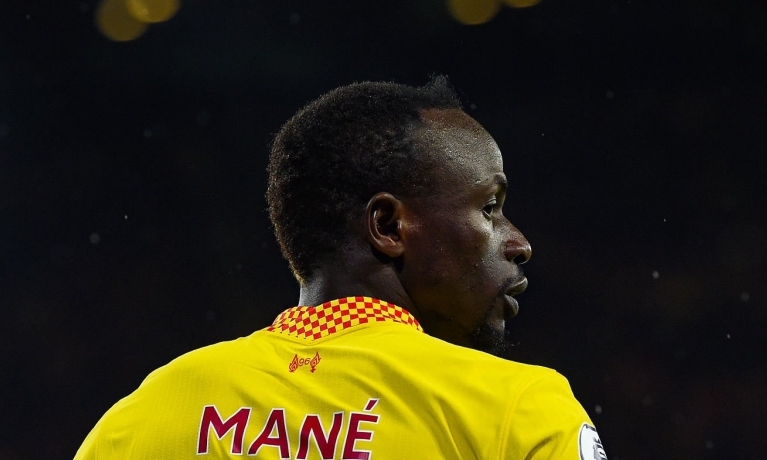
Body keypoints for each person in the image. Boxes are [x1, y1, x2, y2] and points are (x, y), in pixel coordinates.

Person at [74, 77, 607, 459]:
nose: (519, 243)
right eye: (489, 208)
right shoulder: (516, 411)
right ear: (389, 226)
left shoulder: (147, 417)